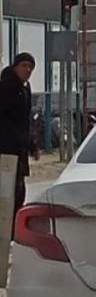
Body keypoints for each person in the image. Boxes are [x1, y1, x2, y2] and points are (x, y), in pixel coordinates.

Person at [0, 53, 38, 216]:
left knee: (18, 191)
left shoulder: (25, 89)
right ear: (15, 67)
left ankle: (12, 227)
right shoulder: (5, 87)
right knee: (8, 191)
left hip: (19, 148)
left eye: (30, 67)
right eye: (23, 66)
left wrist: (32, 145)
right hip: (5, 148)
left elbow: (25, 121)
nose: (27, 70)